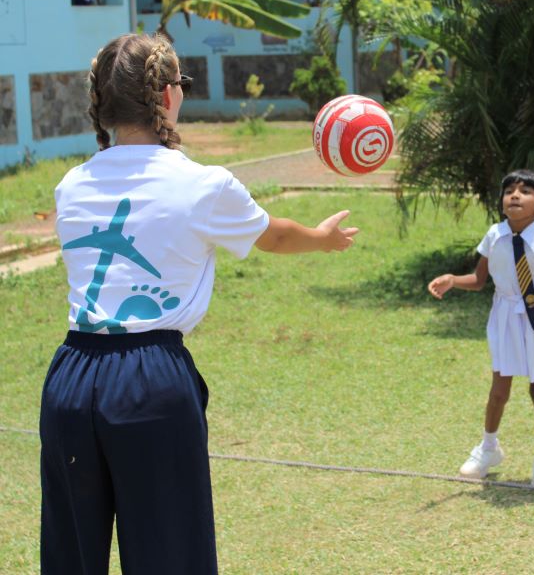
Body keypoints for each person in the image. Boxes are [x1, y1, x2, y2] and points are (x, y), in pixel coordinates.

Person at [39, 33, 358, 575]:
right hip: (150, 381)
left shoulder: (71, 185)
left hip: (69, 379)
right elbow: (275, 236)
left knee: (70, 557)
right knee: (171, 554)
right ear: (166, 97)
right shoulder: (202, 184)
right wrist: (322, 238)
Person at [428, 170, 534, 488]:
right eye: (509, 191)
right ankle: (488, 448)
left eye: (525, 191)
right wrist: (452, 281)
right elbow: (479, 280)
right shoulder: (494, 235)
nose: (514, 195)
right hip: (504, 314)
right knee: (499, 389)